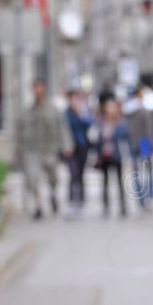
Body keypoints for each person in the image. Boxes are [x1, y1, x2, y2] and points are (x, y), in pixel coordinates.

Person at [17, 79, 72, 220]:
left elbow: (62, 128)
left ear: (44, 89)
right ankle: (38, 206)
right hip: (33, 150)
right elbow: (19, 131)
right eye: (35, 88)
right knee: (33, 178)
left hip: (50, 150)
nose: (37, 90)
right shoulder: (27, 111)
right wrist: (18, 150)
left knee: (53, 178)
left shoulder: (53, 109)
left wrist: (66, 145)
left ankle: (53, 196)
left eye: (39, 87)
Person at [95, 97, 131, 217]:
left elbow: (125, 138)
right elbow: (97, 140)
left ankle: (123, 207)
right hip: (104, 156)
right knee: (105, 182)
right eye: (108, 108)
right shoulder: (101, 123)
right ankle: (106, 207)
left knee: (120, 182)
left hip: (117, 155)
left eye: (112, 108)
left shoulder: (120, 123)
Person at [123, 85, 153, 211]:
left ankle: (141, 199)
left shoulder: (127, 111)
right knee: (148, 172)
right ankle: (149, 196)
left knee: (136, 172)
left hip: (132, 144)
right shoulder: (144, 110)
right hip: (144, 144)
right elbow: (149, 129)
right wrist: (151, 144)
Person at [64, 88, 93, 218]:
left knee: (80, 175)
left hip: (82, 147)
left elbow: (89, 124)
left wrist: (80, 113)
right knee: (73, 174)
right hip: (70, 148)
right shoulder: (66, 114)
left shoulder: (83, 111)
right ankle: (71, 202)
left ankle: (80, 201)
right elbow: (63, 129)